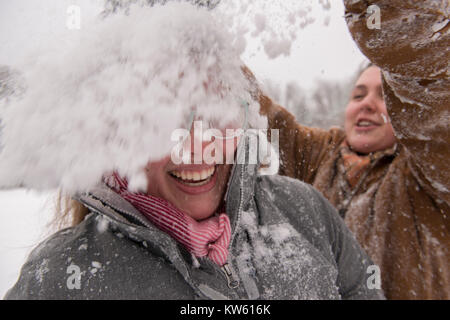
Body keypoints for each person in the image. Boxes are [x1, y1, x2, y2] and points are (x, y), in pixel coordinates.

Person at [3, 3, 383, 300]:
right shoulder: (64, 275)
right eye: (162, 120)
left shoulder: (305, 211)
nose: (199, 146)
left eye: (214, 110)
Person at [258, 0, 449, 299]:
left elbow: (429, 88)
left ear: (405, 109)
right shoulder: (320, 155)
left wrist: (384, 13)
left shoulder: (428, 173)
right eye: (358, 95)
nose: (367, 104)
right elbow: (264, 117)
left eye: (385, 96)